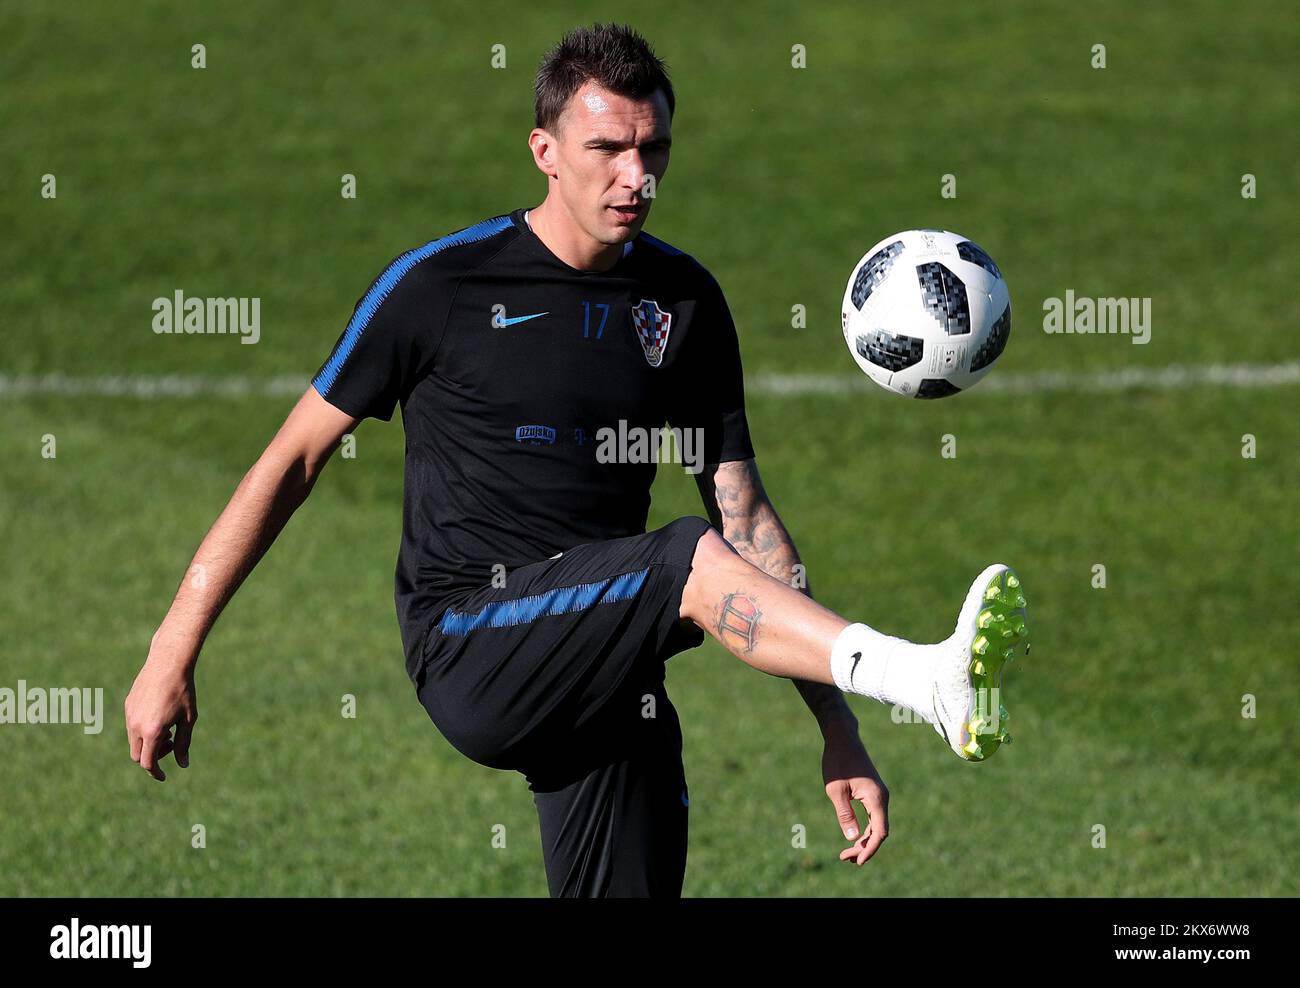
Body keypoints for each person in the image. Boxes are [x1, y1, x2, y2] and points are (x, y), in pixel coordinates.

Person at [125, 22, 1028, 897]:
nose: (636, 177)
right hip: (471, 641)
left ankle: (891, 686)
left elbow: (745, 525)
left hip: (609, 672)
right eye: (608, 148)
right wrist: (174, 646)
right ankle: (920, 679)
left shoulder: (684, 301)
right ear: (545, 150)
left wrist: (835, 729)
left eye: (655, 149)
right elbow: (290, 462)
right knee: (679, 556)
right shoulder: (439, 287)